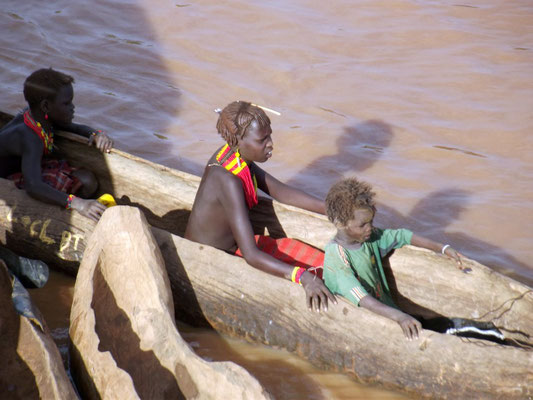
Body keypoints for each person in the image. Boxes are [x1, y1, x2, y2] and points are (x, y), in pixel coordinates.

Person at [185, 101, 337, 312]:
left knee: (322, 267)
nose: (271, 144)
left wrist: (332, 209)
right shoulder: (227, 179)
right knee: (314, 276)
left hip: (234, 249)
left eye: (270, 136)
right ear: (239, 140)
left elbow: (281, 192)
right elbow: (251, 255)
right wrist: (303, 277)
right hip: (210, 259)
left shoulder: (236, 158)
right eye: (262, 139)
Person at [323, 177, 469, 341]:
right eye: (362, 224)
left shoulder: (370, 238)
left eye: (371, 221)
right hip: (364, 317)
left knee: (440, 325)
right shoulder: (338, 256)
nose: (369, 228)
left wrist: (441, 248)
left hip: (385, 308)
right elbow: (361, 298)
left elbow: (401, 236)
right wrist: (399, 317)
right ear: (340, 223)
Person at [0, 68, 113, 221]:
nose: (72, 107)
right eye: (66, 103)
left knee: (87, 180)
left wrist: (95, 134)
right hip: (8, 181)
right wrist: (78, 204)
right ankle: (65, 213)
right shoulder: (30, 136)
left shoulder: (38, 116)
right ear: (46, 106)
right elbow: (34, 186)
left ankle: (70, 205)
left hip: (28, 167)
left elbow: (74, 127)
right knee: (83, 184)